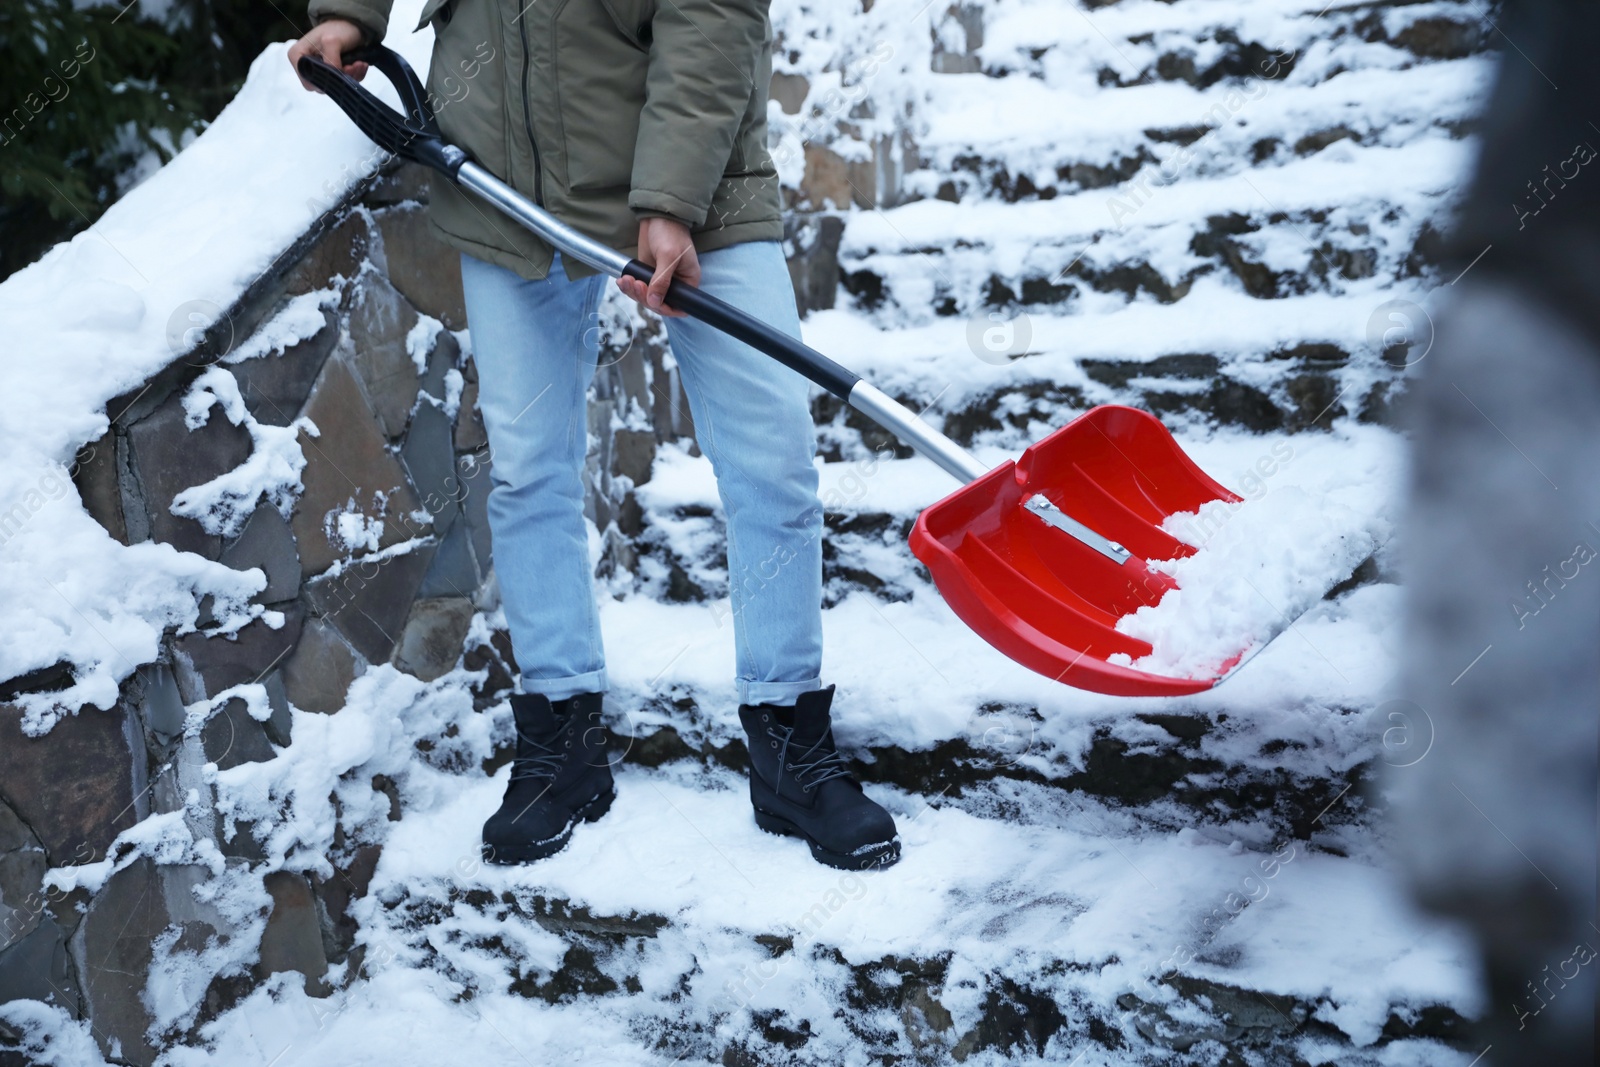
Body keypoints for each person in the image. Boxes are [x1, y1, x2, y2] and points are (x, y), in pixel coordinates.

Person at [287, 0, 900, 871]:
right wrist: (350, 14)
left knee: (771, 461)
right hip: (505, 174)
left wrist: (671, 199)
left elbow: (715, 13)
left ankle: (788, 744)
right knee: (529, 471)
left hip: (701, 172)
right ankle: (563, 746)